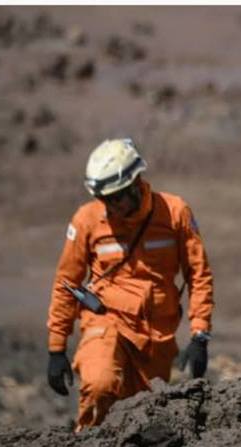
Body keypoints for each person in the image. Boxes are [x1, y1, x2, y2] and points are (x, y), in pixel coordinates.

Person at [47, 138, 214, 430]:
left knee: (147, 420)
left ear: (136, 182)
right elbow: (67, 282)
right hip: (106, 321)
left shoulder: (174, 213)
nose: (112, 206)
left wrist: (200, 336)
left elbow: (198, 274)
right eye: (105, 200)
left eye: (117, 197)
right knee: (100, 385)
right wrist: (56, 348)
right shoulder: (88, 221)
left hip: (157, 336)